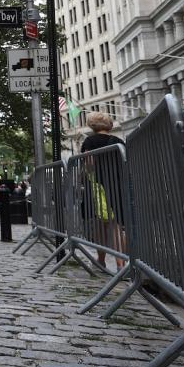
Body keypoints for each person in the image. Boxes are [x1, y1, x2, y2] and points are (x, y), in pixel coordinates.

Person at [80, 111, 126, 271]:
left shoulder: (89, 141)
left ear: (92, 125)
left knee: (101, 224)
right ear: (109, 125)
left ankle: (101, 259)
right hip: (118, 184)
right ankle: (121, 264)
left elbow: (89, 163)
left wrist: (84, 173)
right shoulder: (119, 141)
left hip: (99, 185)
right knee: (117, 225)